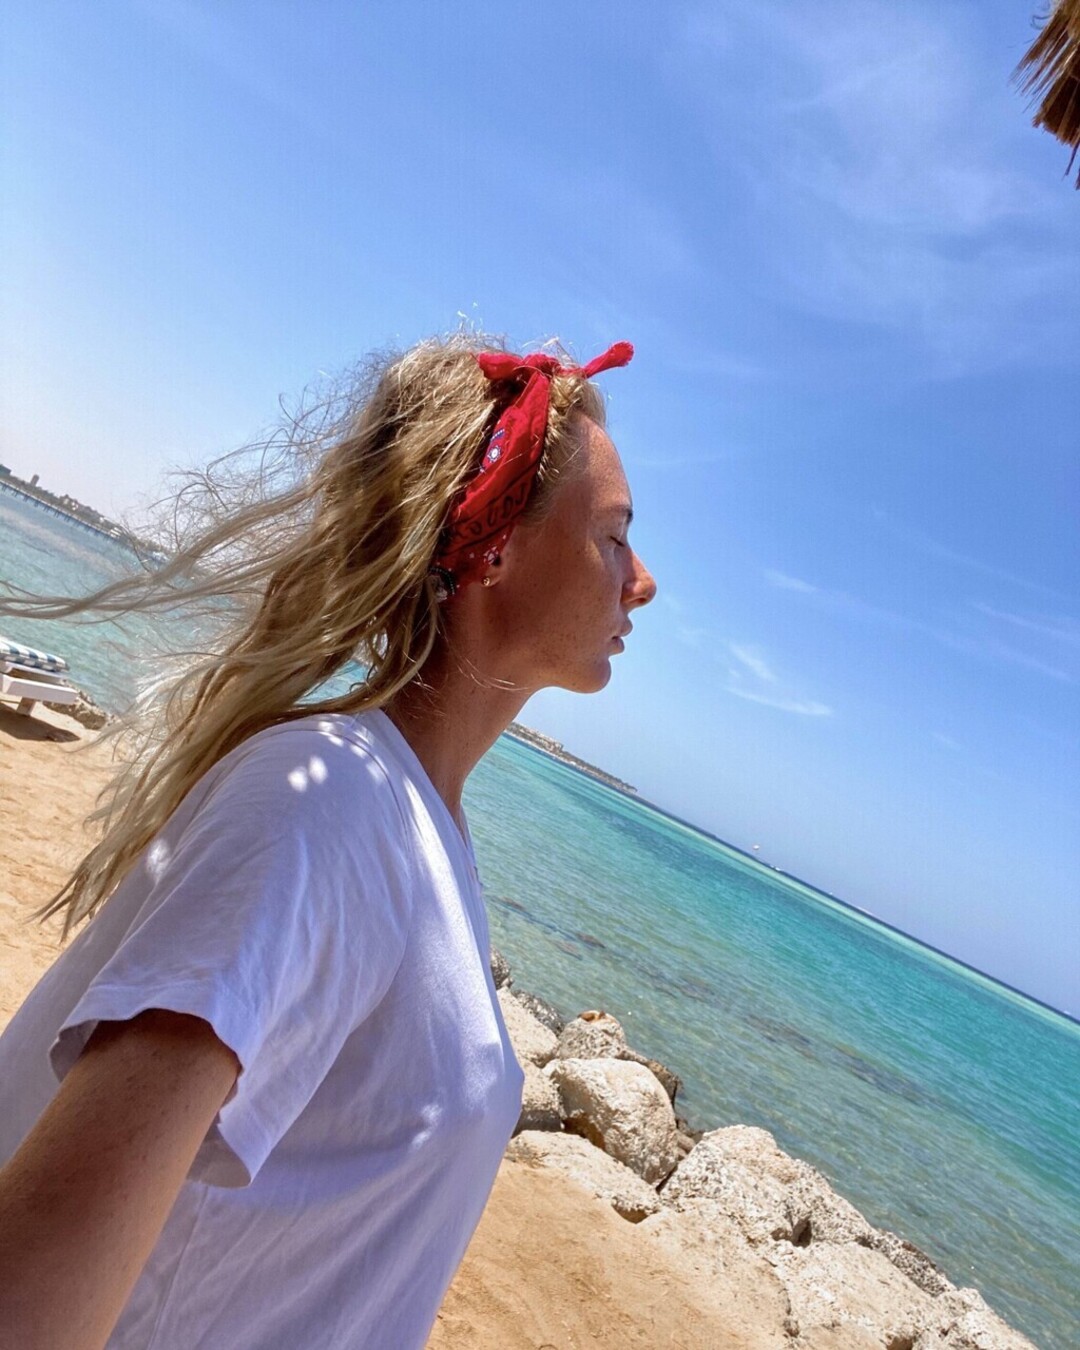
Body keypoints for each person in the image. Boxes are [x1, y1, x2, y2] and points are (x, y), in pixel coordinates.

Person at [0, 334, 656, 1350]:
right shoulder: (328, 808)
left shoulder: (419, 825)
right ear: (494, 545)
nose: (642, 581)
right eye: (614, 537)